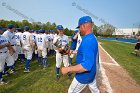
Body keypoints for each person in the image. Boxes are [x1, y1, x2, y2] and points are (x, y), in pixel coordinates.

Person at [61, 16, 100, 93]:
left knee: (71, 91)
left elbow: (86, 66)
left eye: (79, 27)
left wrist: (68, 69)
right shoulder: (92, 37)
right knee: (94, 89)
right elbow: (84, 52)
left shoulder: (88, 40)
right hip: (92, 71)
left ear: (83, 26)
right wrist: (72, 52)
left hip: (85, 75)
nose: (79, 29)